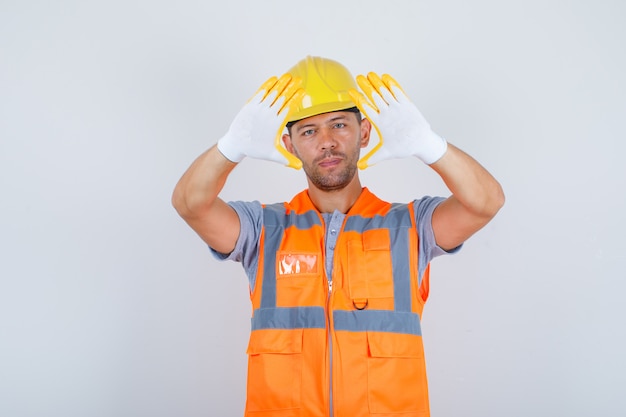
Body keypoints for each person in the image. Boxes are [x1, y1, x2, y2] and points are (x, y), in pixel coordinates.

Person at [172, 56, 504, 417]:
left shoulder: (412, 226)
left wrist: (429, 146)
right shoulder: (263, 229)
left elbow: (485, 203)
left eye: (339, 124)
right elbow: (191, 204)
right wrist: (229, 148)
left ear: (364, 132)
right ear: (290, 145)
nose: (327, 142)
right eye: (309, 131)